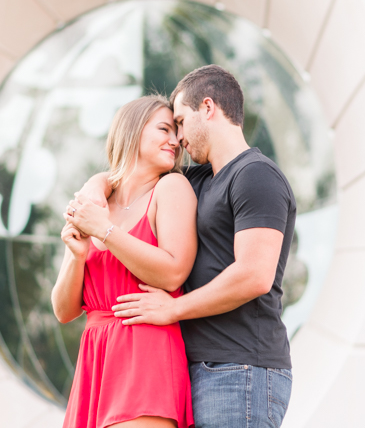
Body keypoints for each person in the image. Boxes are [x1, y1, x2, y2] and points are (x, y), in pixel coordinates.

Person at [68, 65, 295, 428]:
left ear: (207, 108)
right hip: (200, 368)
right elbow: (128, 176)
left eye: (180, 121)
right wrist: (96, 187)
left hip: (241, 368)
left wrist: (173, 310)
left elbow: (254, 275)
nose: (177, 138)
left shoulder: (256, 175)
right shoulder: (198, 179)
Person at [51, 95, 198, 428]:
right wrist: (76, 257)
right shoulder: (96, 204)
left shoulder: (171, 187)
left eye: (176, 131)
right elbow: (63, 311)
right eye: (164, 129)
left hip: (145, 351)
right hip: (95, 360)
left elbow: (173, 272)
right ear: (131, 131)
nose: (175, 140)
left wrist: (103, 231)